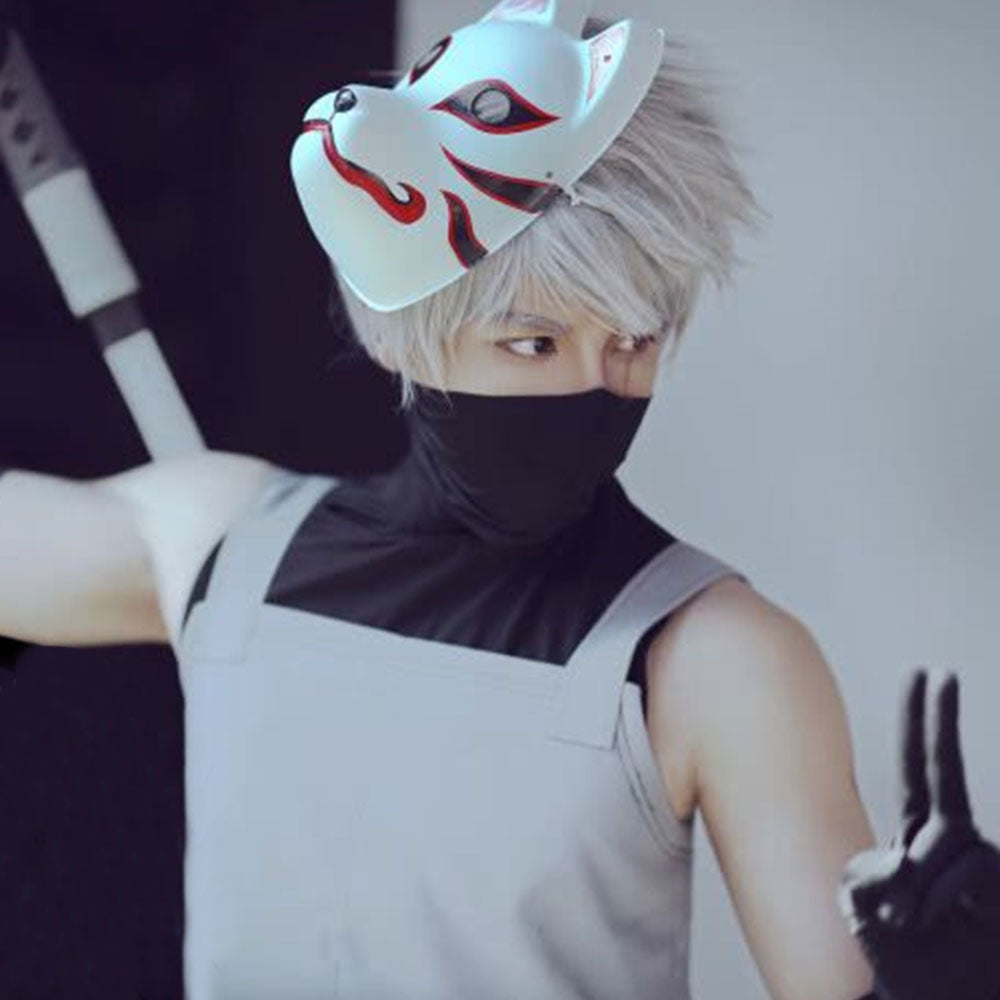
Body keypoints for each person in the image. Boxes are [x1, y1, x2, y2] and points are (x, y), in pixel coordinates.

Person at [1, 1, 997, 998]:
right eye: (534, 342)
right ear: (397, 330)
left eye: (633, 342)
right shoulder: (215, 549)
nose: (593, 387)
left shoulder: (716, 660)